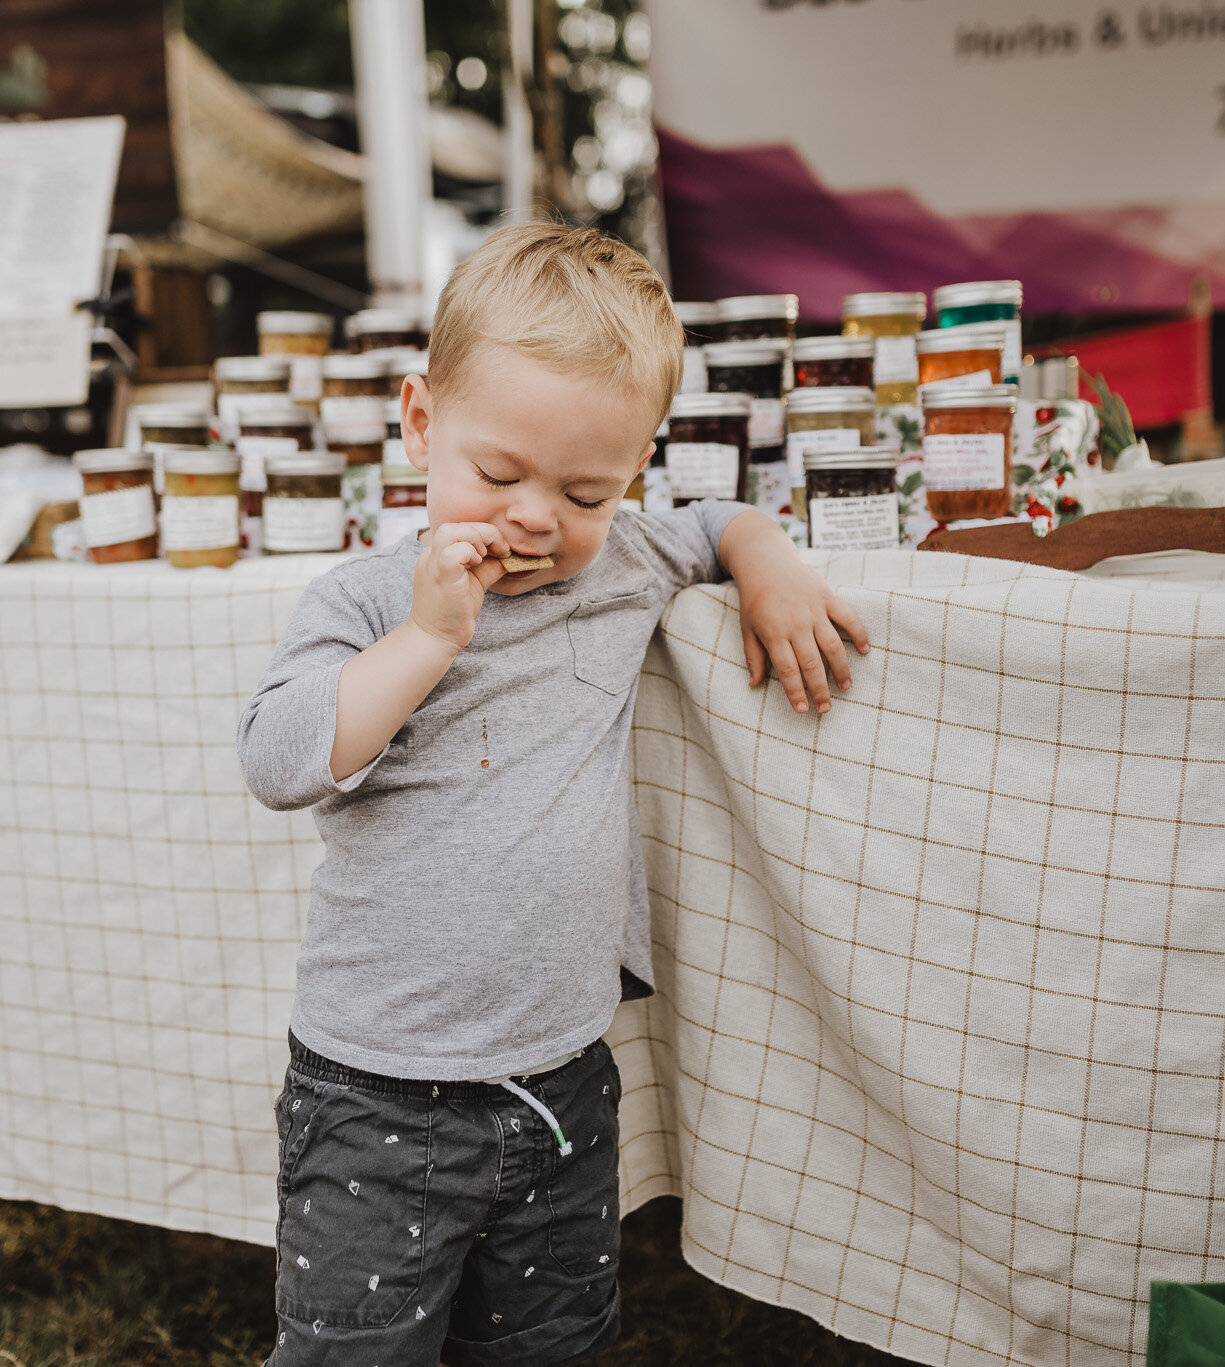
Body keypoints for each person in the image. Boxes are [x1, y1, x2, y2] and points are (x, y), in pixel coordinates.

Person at [237, 221, 868, 1367]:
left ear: (634, 464)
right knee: (354, 1351)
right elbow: (277, 758)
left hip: (561, 1080)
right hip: (376, 1089)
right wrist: (430, 638)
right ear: (420, 421)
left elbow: (707, 526)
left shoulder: (620, 559)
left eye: (584, 488)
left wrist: (767, 563)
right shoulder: (371, 600)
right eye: (496, 474)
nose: (535, 516)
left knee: (550, 1344)